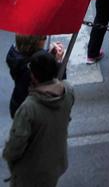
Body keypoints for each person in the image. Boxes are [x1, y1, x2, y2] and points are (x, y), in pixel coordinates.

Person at [2, 51, 75, 187]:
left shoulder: (28, 108)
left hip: (31, 172)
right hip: (56, 162)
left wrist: (9, 156)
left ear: (34, 76)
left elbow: (16, 144)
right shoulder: (68, 91)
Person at [6, 35, 64, 118]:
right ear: (34, 43)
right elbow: (57, 84)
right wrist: (57, 62)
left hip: (17, 104)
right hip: (34, 111)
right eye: (43, 37)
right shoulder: (31, 67)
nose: (46, 39)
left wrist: (47, 55)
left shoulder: (16, 57)